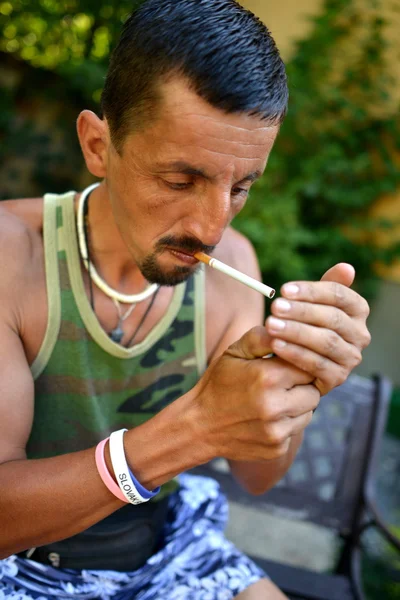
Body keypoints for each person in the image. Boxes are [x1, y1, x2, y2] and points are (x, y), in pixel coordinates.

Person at [0, 1, 371, 598]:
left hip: (171, 547)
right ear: (98, 144)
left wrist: (297, 381)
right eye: (180, 181)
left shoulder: (234, 268)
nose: (212, 226)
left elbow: (257, 476)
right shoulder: (10, 258)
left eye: (242, 187)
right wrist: (193, 431)